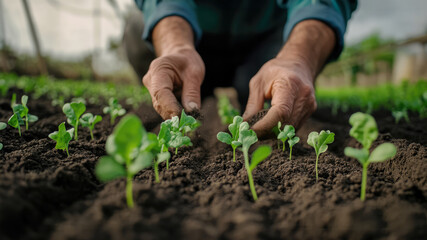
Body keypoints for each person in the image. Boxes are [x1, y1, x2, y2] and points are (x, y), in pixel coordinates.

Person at [127, 0, 357, 137]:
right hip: (192, 34)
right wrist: (175, 46)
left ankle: (258, 82)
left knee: (272, 102)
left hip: (266, 37)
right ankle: (182, 95)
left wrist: (298, 60)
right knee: (137, 23)